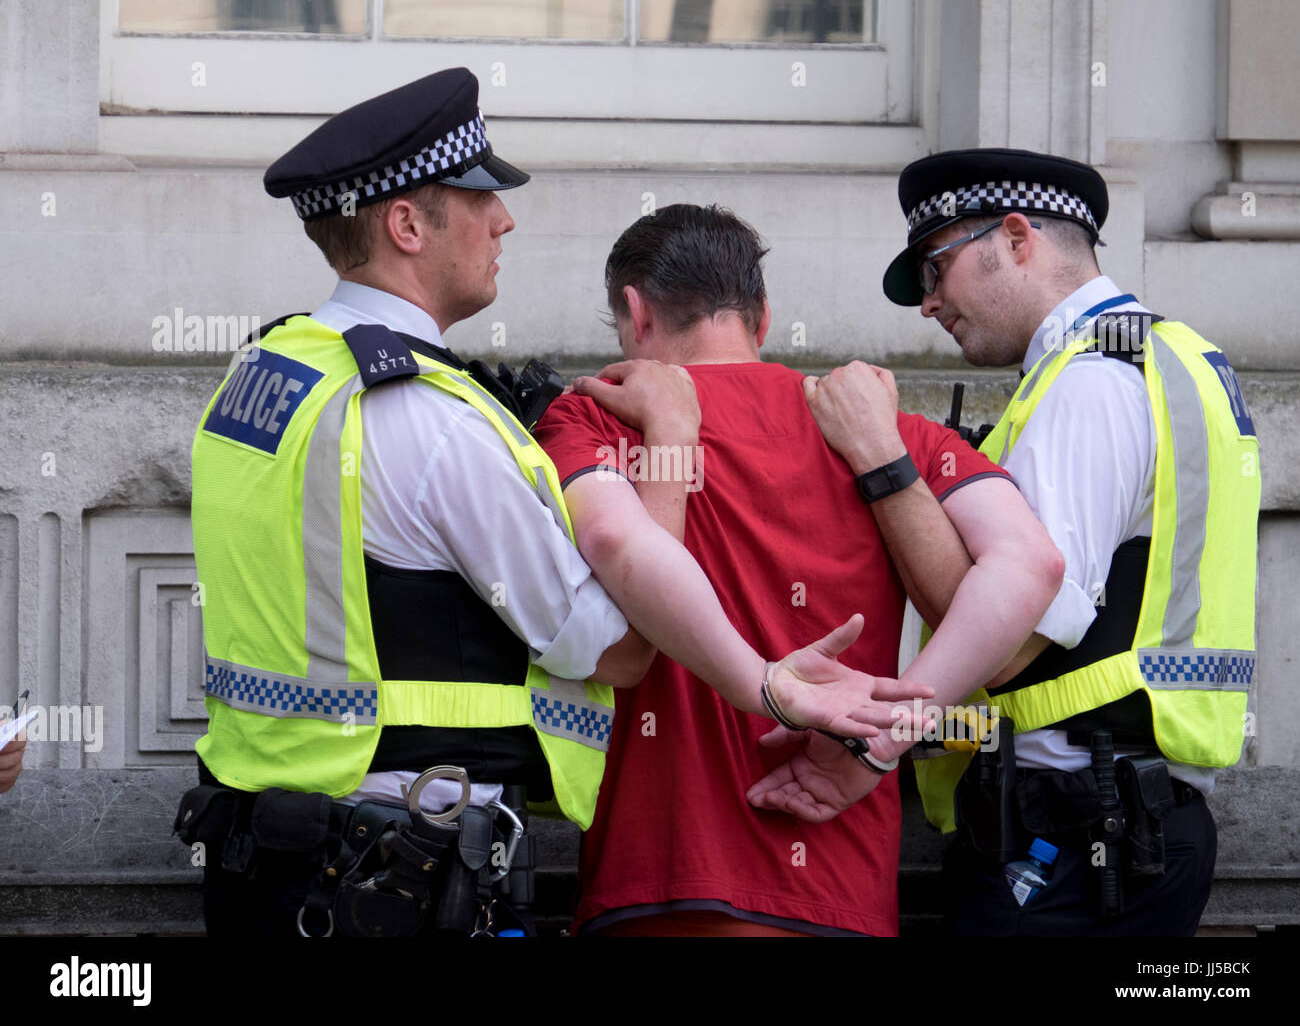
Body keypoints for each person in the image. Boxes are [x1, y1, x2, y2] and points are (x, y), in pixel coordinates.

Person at [181, 71, 924, 938]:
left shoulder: (267, 371)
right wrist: (672, 436)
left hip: (264, 853)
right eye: (478, 196)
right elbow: (616, 647)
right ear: (407, 225)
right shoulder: (425, 417)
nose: (505, 220)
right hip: (384, 876)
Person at [533, 203, 1064, 936]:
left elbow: (627, 582)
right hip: (844, 888)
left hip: (660, 883)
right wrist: (893, 731)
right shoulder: (884, 430)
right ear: (763, 317)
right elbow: (1033, 566)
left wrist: (669, 440)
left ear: (634, 311)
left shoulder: (591, 420)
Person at [775, 147, 1261, 936]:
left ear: (1015, 236)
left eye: (935, 269)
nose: (927, 305)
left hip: (1069, 842)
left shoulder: (1089, 383)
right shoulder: (1172, 356)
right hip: (1116, 823)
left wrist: (879, 456)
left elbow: (1009, 647)